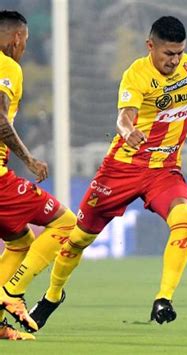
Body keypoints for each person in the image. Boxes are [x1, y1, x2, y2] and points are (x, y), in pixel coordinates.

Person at [27, 16, 187, 331]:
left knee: (183, 218)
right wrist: (128, 132)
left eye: (180, 53)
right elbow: (124, 118)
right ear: (150, 46)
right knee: (78, 240)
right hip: (122, 169)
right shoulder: (136, 75)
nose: (175, 60)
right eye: (168, 54)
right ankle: (52, 296)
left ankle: (163, 298)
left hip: (165, 170)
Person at [0, 10, 76, 340]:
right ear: (16, 38)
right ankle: (12, 293)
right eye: (25, 41)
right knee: (65, 222)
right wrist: (29, 159)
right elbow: (0, 118)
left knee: (21, 241)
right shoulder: (8, 67)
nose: (24, 48)